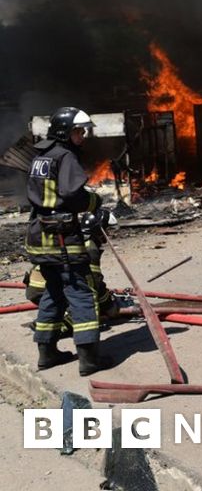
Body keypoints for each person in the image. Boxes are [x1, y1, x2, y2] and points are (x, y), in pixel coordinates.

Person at [25, 106, 108, 376]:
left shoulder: (42, 156)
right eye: (78, 131)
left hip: (39, 233)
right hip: (62, 237)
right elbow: (73, 196)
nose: (82, 136)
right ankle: (89, 359)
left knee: (54, 292)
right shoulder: (65, 156)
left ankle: (47, 353)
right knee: (81, 292)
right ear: (64, 132)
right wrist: (95, 201)